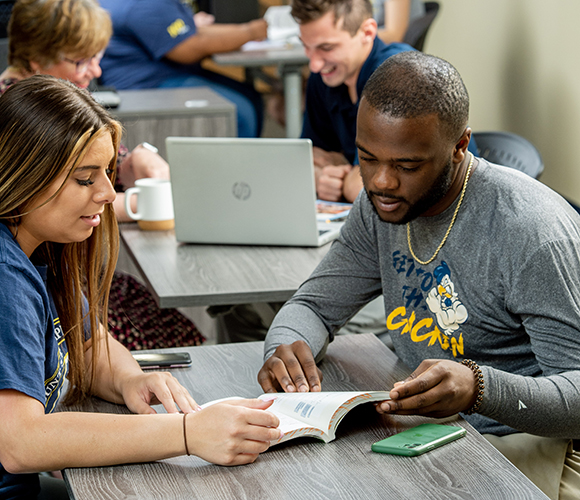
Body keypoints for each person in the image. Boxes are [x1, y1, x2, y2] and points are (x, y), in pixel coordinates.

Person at [257, 51, 580, 499]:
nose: (382, 182)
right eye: (367, 158)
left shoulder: (531, 231)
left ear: (461, 146)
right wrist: (286, 348)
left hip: (525, 441)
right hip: (429, 433)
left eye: (407, 166)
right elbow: (312, 305)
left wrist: (478, 387)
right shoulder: (381, 206)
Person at [0, 76, 281, 500]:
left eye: (107, 174)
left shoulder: (39, 247)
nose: (109, 193)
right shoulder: (6, 276)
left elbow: (87, 341)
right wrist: (185, 433)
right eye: (85, 179)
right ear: (26, 175)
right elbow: (20, 443)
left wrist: (130, 378)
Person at [1, 0, 205, 350]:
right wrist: (135, 203)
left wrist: (133, 161)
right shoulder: (23, 121)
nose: (93, 71)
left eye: (97, 58)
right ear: (37, 58)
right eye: (80, 60)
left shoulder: (67, 108)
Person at [98, 0, 268, 138]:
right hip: (145, 88)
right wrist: (251, 32)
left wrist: (248, 30)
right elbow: (188, 48)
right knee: (241, 111)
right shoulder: (142, 5)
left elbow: (191, 32)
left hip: (164, 74)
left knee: (251, 96)